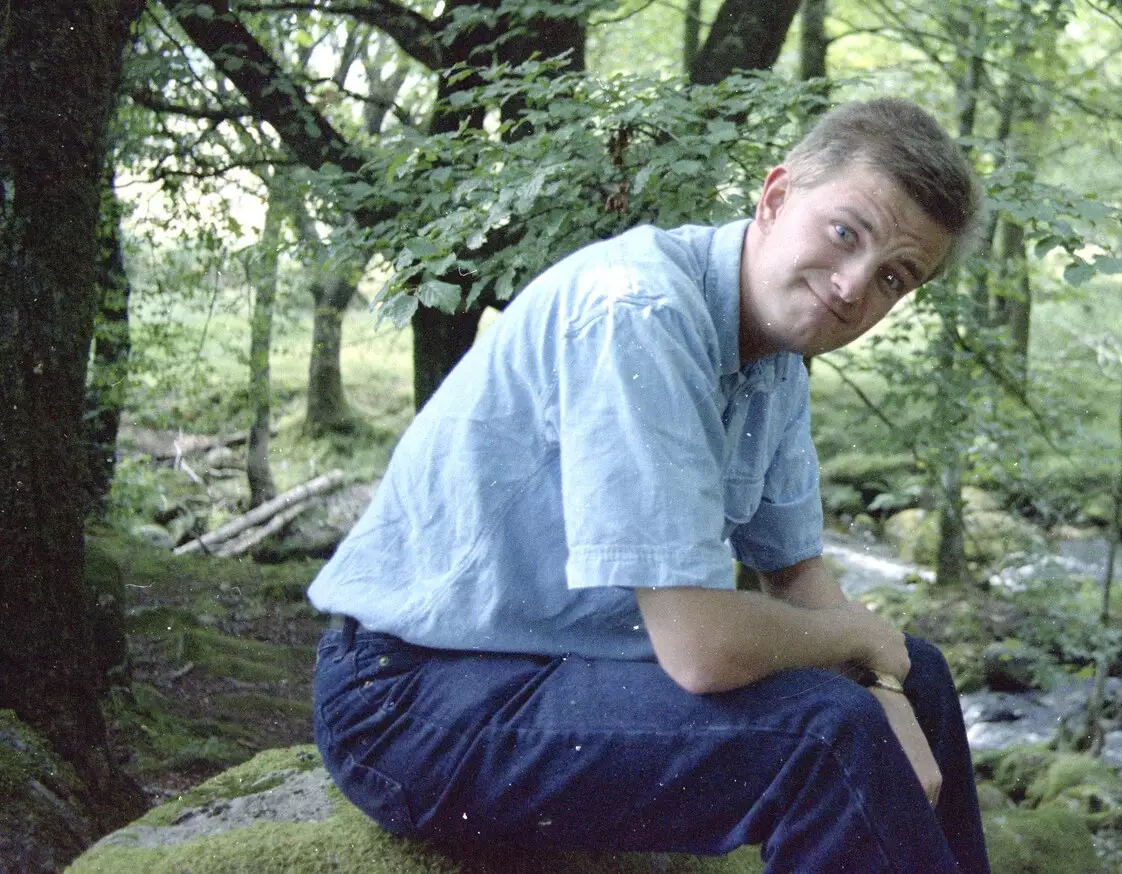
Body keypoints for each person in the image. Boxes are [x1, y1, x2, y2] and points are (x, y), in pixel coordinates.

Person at [308, 98, 991, 873]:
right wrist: (859, 640)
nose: (852, 287)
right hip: (409, 698)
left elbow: (795, 571)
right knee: (825, 737)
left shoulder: (775, 359)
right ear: (774, 198)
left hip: (543, 664)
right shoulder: (638, 312)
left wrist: (887, 682)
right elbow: (701, 650)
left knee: (919, 674)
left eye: (893, 277)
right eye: (846, 233)